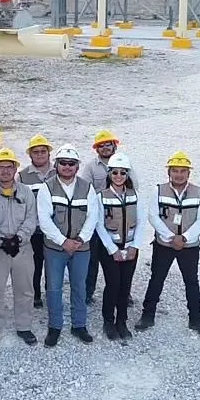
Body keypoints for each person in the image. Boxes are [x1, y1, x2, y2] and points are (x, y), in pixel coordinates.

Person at [138, 151, 200, 336]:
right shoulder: (158, 190)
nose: (179, 175)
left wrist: (185, 237)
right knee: (156, 279)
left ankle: (196, 319)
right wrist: (171, 237)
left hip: (189, 246)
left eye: (182, 171)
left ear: (189, 173)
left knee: (191, 282)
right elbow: (153, 216)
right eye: (175, 171)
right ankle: (147, 315)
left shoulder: (199, 192)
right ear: (169, 172)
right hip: (164, 244)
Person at [35, 144, 101, 346]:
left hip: (81, 248)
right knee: (54, 288)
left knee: (79, 287)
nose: (67, 167)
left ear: (77, 166)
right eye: (63, 163)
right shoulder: (47, 188)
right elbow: (44, 220)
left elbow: (93, 216)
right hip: (55, 248)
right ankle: (55, 326)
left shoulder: (87, 188)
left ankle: (79, 325)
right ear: (56, 165)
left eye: (71, 164)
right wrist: (63, 241)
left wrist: (80, 240)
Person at [0, 147, 41, 348]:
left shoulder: (26, 193)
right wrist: (0, 240)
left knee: (25, 290)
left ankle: (24, 326)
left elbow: (32, 218)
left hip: (22, 250)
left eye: (9, 167)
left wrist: (19, 239)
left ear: (16, 168)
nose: (5, 171)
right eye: (1, 167)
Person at [78, 129, 139, 305]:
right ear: (96, 149)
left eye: (108, 144)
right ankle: (88, 292)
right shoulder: (90, 167)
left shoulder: (125, 164)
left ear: (114, 145)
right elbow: (85, 190)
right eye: (101, 145)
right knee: (93, 259)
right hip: (97, 217)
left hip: (120, 217)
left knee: (121, 256)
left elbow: (134, 185)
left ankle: (123, 293)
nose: (105, 148)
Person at [95, 153, 150, 343]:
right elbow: (98, 225)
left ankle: (122, 321)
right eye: (115, 172)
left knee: (125, 286)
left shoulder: (136, 196)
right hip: (111, 250)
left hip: (131, 249)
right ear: (109, 174)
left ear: (127, 175)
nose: (119, 176)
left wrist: (135, 246)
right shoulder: (101, 197)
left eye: (123, 173)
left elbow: (142, 222)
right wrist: (112, 250)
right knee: (113, 285)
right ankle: (108, 322)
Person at [18, 134, 55, 309]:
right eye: (36, 152)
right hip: (34, 230)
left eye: (43, 151)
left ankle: (51, 292)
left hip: (55, 229)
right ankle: (35, 293)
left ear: (48, 154)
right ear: (30, 155)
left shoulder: (59, 172)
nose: (40, 155)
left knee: (52, 264)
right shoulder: (23, 176)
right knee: (34, 263)